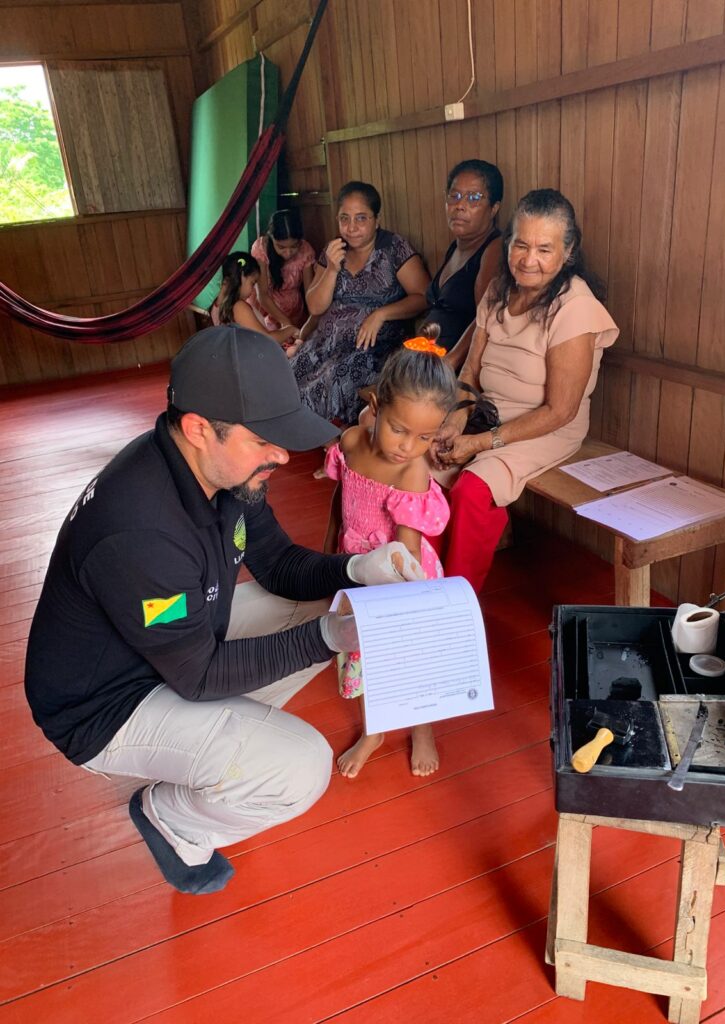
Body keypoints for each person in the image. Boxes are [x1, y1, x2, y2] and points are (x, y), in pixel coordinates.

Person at [24, 325, 425, 895]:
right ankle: (172, 816)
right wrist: (332, 636)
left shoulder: (222, 472)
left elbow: (281, 566)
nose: (282, 455)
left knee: (329, 598)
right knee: (300, 767)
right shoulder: (140, 530)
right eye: (265, 439)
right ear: (198, 429)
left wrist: (358, 570)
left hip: (171, 649)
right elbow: (199, 675)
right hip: (106, 705)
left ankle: (218, 740)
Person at [434, 188, 619, 594]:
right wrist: (459, 412)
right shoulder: (500, 290)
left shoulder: (575, 308)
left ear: (568, 253)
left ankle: (454, 602)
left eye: (544, 249)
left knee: (470, 490)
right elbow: (472, 368)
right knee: (425, 466)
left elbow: (561, 411)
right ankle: (419, 584)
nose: (528, 259)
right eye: (520, 244)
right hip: (488, 413)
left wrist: (481, 443)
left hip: (546, 428)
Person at [323, 327, 455, 779]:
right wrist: (327, 563)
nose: (407, 447)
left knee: (407, 658)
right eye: (400, 430)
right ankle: (374, 730)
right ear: (375, 408)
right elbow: (339, 507)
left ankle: (422, 727)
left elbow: (406, 555)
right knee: (361, 655)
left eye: (424, 437)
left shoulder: (412, 471)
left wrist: (399, 614)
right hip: (355, 570)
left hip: (402, 580)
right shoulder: (350, 443)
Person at [290, 180, 431, 427]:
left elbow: (422, 297)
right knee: (288, 372)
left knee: (331, 379)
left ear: (376, 220)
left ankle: (326, 439)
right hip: (326, 343)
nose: (352, 227)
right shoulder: (334, 251)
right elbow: (315, 307)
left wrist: (381, 314)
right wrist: (332, 269)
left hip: (372, 350)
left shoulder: (393, 248)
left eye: (361, 218)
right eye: (344, 219)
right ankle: (296, 427)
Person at [424, 159, 504, 370]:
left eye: (474, 198)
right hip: (427, 361)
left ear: (494, 208)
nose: (460, 205)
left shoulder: (493, 251)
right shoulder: (456, 246)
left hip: (455, 371)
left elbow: (484, 321)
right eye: (455, 195)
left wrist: (449, 363)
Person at [210, 252, 300, 350]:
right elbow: (266, 339)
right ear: (241, 276)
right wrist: (290, 330)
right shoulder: (238, 307)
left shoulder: (216, 306)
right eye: (252, 283)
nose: (253, 290)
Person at [250, 208, 316, 341]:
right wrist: (286, 324)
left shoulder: (306, 250)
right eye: (281, 247)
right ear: (271, 238)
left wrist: (312, 324)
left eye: (294, 246)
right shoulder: (261, 249)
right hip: (266, 311)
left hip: (294, 311)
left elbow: (310, 293)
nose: (288, 253)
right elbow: (262, 295)